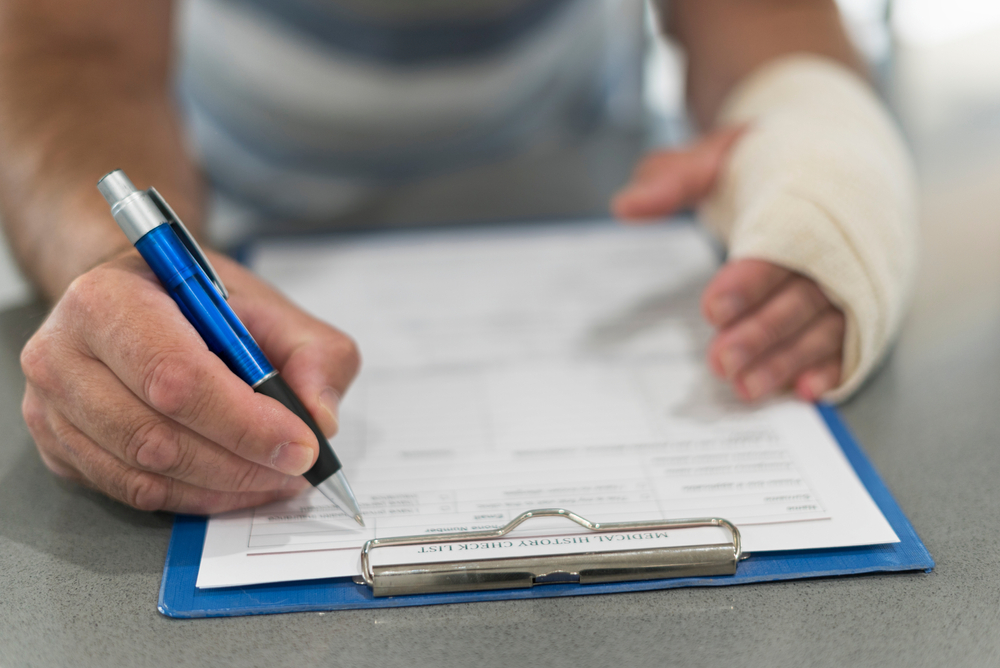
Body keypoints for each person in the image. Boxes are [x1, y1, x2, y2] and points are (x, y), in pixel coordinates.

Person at [0, 0, 917, 514]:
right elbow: (71, 50)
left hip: (592, 214)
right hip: (235, 219)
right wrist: (120, 272)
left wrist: (812, 183)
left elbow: (765, 21)